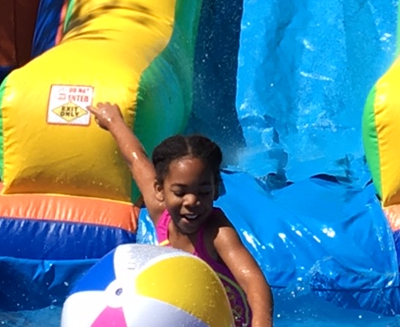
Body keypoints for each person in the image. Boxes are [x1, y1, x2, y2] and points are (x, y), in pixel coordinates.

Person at [88, 101, 273, 327]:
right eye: (180, 192)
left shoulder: (216, 232)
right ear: (160, 190)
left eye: (203, 192)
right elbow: (136, 159)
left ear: (216, 189)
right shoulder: (160, 212)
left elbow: (253, 282)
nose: (191, 201)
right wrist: (113, 122)